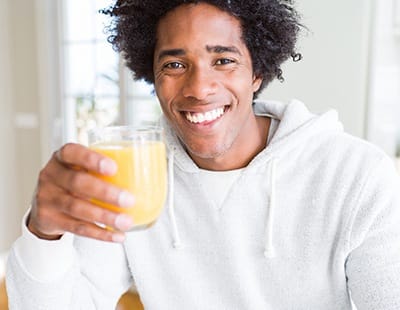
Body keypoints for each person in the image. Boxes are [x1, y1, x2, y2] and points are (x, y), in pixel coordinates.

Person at [6, 0, 400, 309]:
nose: (199, 87)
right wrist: (44, 234)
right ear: (153, 77)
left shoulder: (359, 178)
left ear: (257, 72)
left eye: (223, 60)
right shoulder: (132, 174)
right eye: (175, 64)